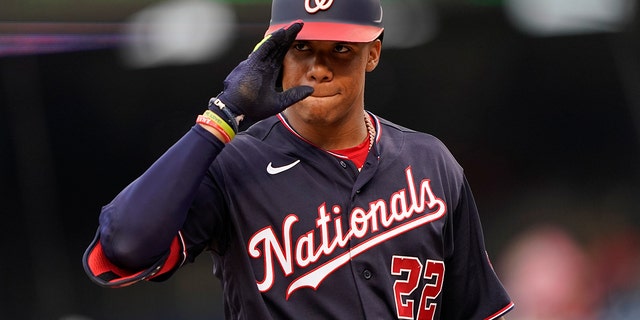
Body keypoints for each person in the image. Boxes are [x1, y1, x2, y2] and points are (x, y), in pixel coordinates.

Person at [83, 0, 514, 319]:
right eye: (301, 47)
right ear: (274, 54)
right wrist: (219, 119)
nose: (318, 68)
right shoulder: (234, 167)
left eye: (340, 49)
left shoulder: (430, 162)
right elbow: (122, 247)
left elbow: (477, 309)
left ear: (374, 53)